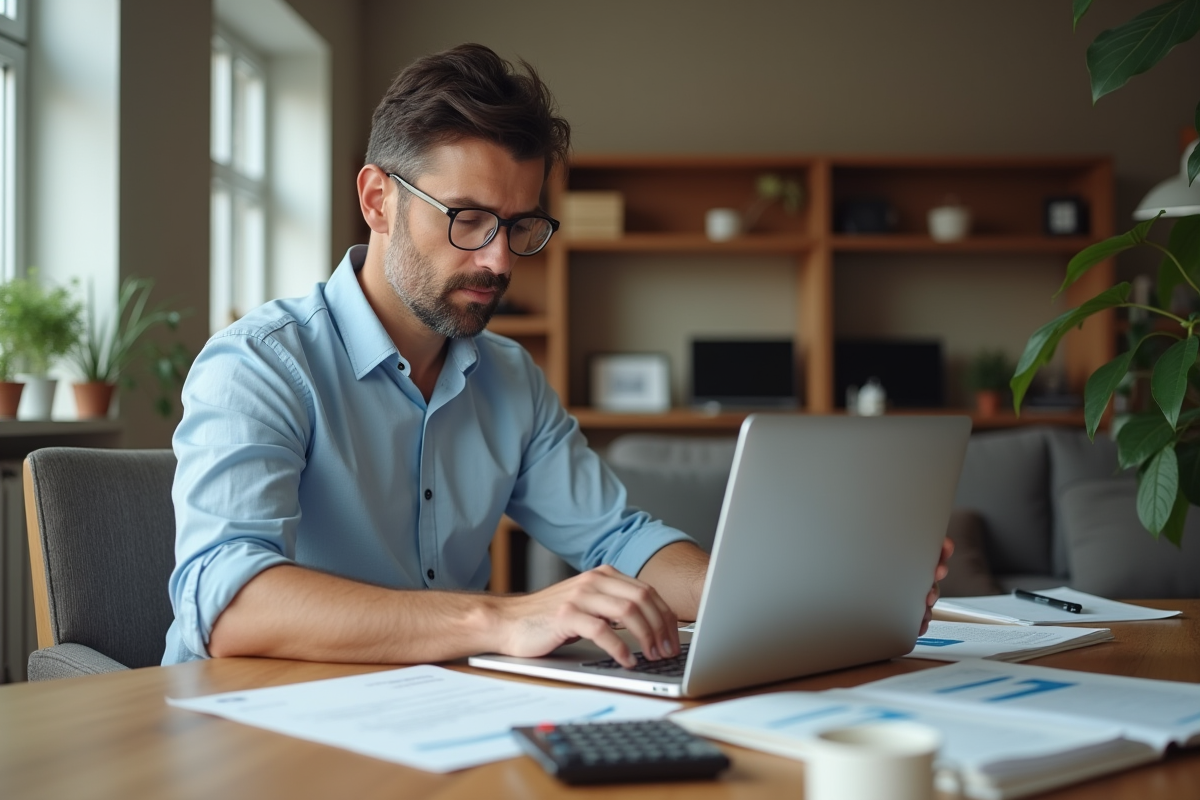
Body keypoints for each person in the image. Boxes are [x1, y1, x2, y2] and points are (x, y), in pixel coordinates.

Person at [164, 43, 950, 668]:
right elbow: (228, 603)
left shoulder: (508, 378)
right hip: (251, 726)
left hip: (423, 717)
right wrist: (501, 619)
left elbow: (618, 541)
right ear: (378, 200)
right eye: (468, 219)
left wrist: (796, 597)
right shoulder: (260, 365)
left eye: (520, 226)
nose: (500, 260)